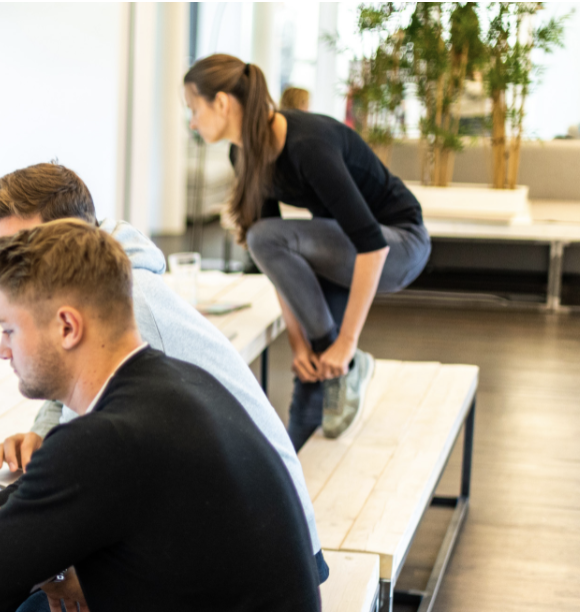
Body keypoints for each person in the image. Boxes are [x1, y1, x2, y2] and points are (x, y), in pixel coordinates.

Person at [0, 220, 320, 612]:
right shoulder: (181, 380)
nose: (1, 350)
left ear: (67, 326)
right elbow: (77, 495)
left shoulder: (105, 439)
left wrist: (43, 554)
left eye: (8, 329)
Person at [0, 162, 325, 579]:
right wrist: (45, 431)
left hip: (255, 563)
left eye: (20, 251)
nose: (6, 271)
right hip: (258, 543)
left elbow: (82, 467)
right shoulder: (112, 287)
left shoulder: (128, 308)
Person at [184, 54, 430, 446]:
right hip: (345, 246)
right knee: (313, 371)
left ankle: (351, 362)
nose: (192, 122)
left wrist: (348, 342)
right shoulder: (243, 152)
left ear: (223, 103)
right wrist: (299, 345)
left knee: (265, 237)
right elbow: (274, 262)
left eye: (193, 109)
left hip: (400, 245)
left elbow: (373, 245)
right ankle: (297, 468)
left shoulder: (308, 144)